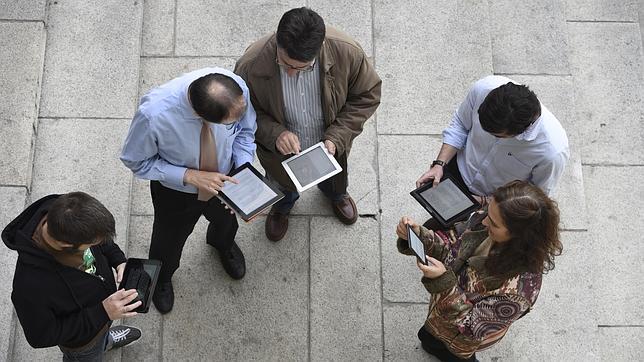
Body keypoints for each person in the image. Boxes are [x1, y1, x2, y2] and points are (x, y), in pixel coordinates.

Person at [235, 7, 381, 242]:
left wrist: (336, 137)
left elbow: (368, 95)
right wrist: (275, 133)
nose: (291, 73)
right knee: (282, 184)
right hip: (279, 153)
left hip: (329, 145)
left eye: (302, 67)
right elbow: (241, 111)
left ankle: (336, 194)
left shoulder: (347, 52)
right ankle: (283, 206)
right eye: (284, 64)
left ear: (319, 48)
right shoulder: (251, 64)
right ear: (278, 41)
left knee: (334, 178)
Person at [120, 67, 257, 314]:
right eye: (228, 124)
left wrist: (242, 171)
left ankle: (221, 244)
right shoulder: (153, 116)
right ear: (200, 117)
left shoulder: (236, 89)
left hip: (226, 178)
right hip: (176, 193)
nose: (236, 123)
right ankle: (163, 278)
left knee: (227, 223)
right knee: (167, 240)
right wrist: (190, 176)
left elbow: (245, 134)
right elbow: (135, 161)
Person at [396, 180, 562, 361]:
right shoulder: (487, 219)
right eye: (488, 213)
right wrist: (420, 237)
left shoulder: (517, 293)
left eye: (493, 223)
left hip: (459, 340)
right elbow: (452, 247)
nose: (482, 220)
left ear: (519, 235)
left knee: (453, 354)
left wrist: (443, 283)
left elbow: (470, 328)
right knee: (429, 338)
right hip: (442, 314)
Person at [2, 192, 142, 361]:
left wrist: (118, 260)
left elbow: (102, 239)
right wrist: (102, 312)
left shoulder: (67, 212)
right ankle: (99, 345)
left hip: (102, 317)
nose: (97, 245)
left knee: (100, 338)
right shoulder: (29, 287)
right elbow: (40, 336)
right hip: (83, 344)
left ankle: (105, 340)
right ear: (66, 245)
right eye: (91, 245)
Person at [416, 75, 569, 206]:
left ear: (519, 132)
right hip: (457, 170)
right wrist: (440, 164)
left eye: (497, 135)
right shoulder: (484, 89)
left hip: (495, 204)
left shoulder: (552, 152)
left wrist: (486, 202)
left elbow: (534, 197)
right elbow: (461, 124)